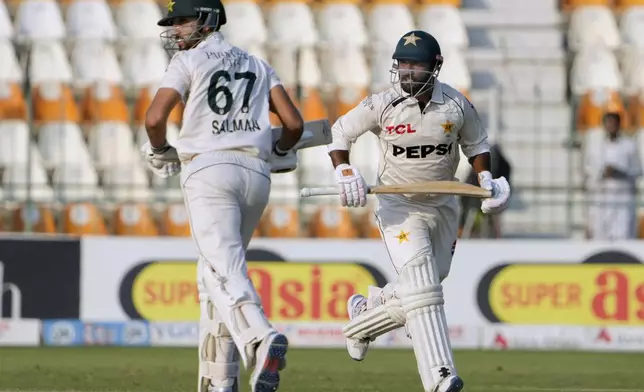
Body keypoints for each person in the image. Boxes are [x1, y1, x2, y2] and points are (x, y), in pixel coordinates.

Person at [326, 30, 510, 392]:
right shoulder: (383, 103)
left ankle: (364, 318)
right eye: (403, 64)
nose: (408, 72)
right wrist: (344, 169)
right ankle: (440, 378)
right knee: (424, 286)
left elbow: (477, 144)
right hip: (399, 206)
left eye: (416, 64)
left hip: (443, 204)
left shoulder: (455, 105)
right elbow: (339, 133)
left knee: (427, 284)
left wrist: (486, 177)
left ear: (436, 66)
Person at [141, 0, 304, 390]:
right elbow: (294, 124)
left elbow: (153, 118)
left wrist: (162, 149)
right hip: (256, 173)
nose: (176, 30)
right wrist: (279, 152)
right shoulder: (258, 64)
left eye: (182, 21)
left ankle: (260, 338)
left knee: (223, 270)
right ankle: (219, 381)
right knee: (212, 276)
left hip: (209, 170)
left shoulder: (188, 62)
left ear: (207, 19)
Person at [585, 112, 642, 240]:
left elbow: (638, 170)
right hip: (602, 195)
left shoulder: (629, 146)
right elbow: (588, 169)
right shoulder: (596, 146)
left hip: (622, 195)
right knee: (599, 231)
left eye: (613, 123)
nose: (611, 126)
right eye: (608, 123)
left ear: (619, 125)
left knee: (623, 232)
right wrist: (602, 172)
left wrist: (620, 172)